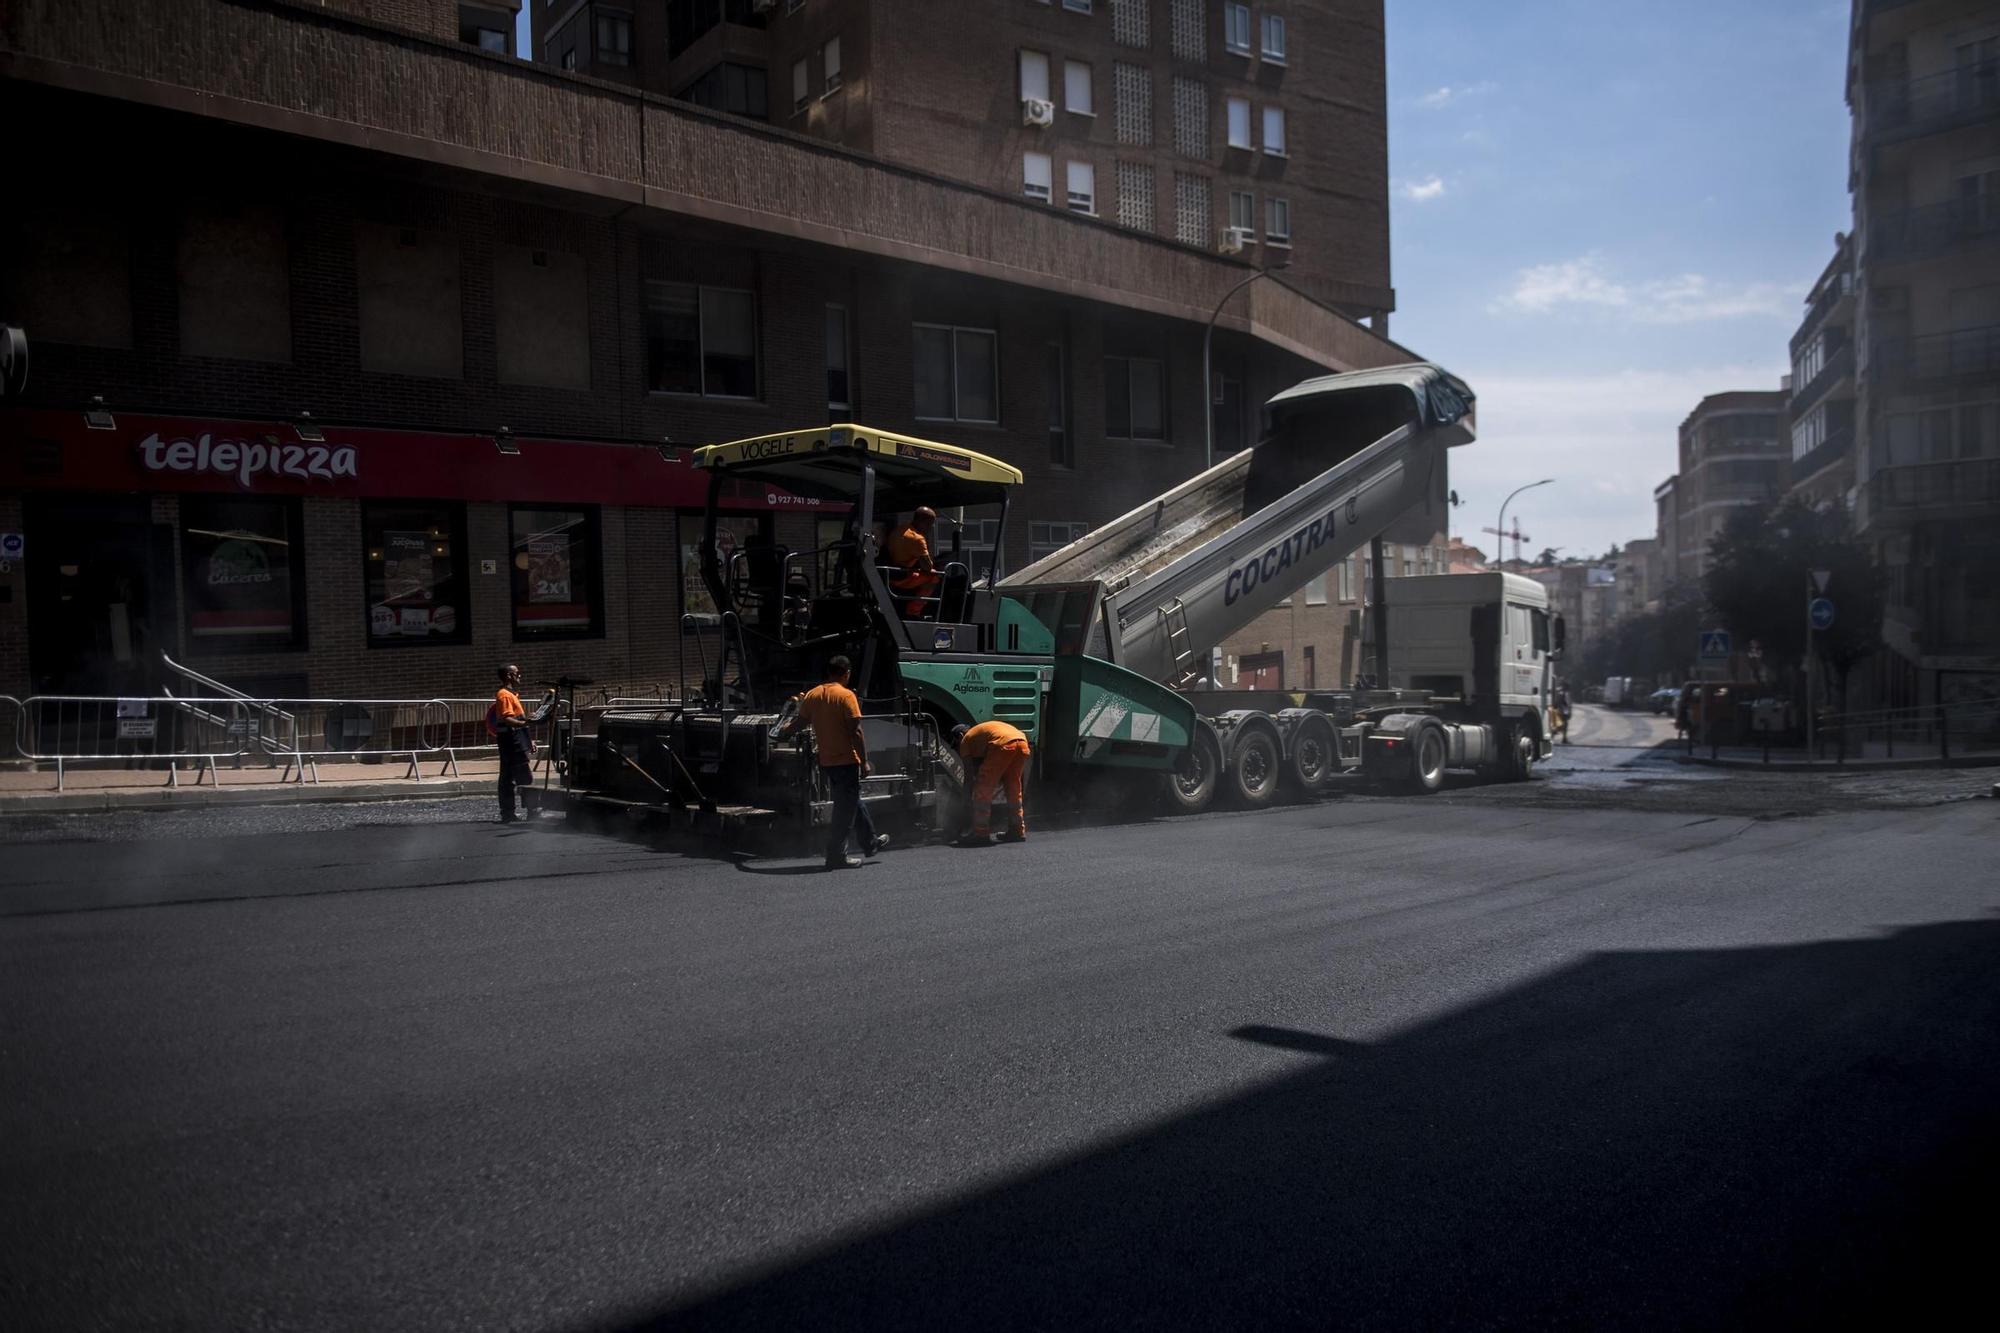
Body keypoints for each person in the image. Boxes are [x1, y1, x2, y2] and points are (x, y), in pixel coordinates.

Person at [782, 656, 890, 870]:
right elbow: (856, 732)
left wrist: (782, 732)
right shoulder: (846, 695)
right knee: (844, 811)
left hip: (827, 761)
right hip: (846, 760)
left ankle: (871, 842)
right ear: (846, 673)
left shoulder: (813, 695)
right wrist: (865, 762)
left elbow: (800, 722)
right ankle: (836, 856)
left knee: (851, 802)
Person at [492, 664, 555, 823]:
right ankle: (532, 811)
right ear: (509, 675)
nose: (520, 676)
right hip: (512, 742)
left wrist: (528, 739)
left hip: (514, 740)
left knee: (508, 777)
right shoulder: (505, 695)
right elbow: (508, 719)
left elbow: (518, 719)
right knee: (524, 777)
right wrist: (527, 722)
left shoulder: (511, 694)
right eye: (517, 673)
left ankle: (508, 813)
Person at [953, 719, 1031, 846]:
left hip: (1002, 745)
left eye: (956, 743)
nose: (958, 746)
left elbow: (968, 775)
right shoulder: (981, 732)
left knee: (983, 789)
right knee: (1013, 789)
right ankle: (1017, 831)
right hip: (1022, 743)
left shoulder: (965, 740)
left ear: (961, 735)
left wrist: (966, 797)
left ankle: (981, 833)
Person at [885, 507, 941, 617]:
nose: (930, 528)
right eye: (929, 524)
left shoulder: (899, 530)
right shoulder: (917, 538)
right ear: (921, 521)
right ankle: (913, 611)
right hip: (901, 577)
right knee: (934, 576)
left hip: (891, 573)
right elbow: (927, 567)